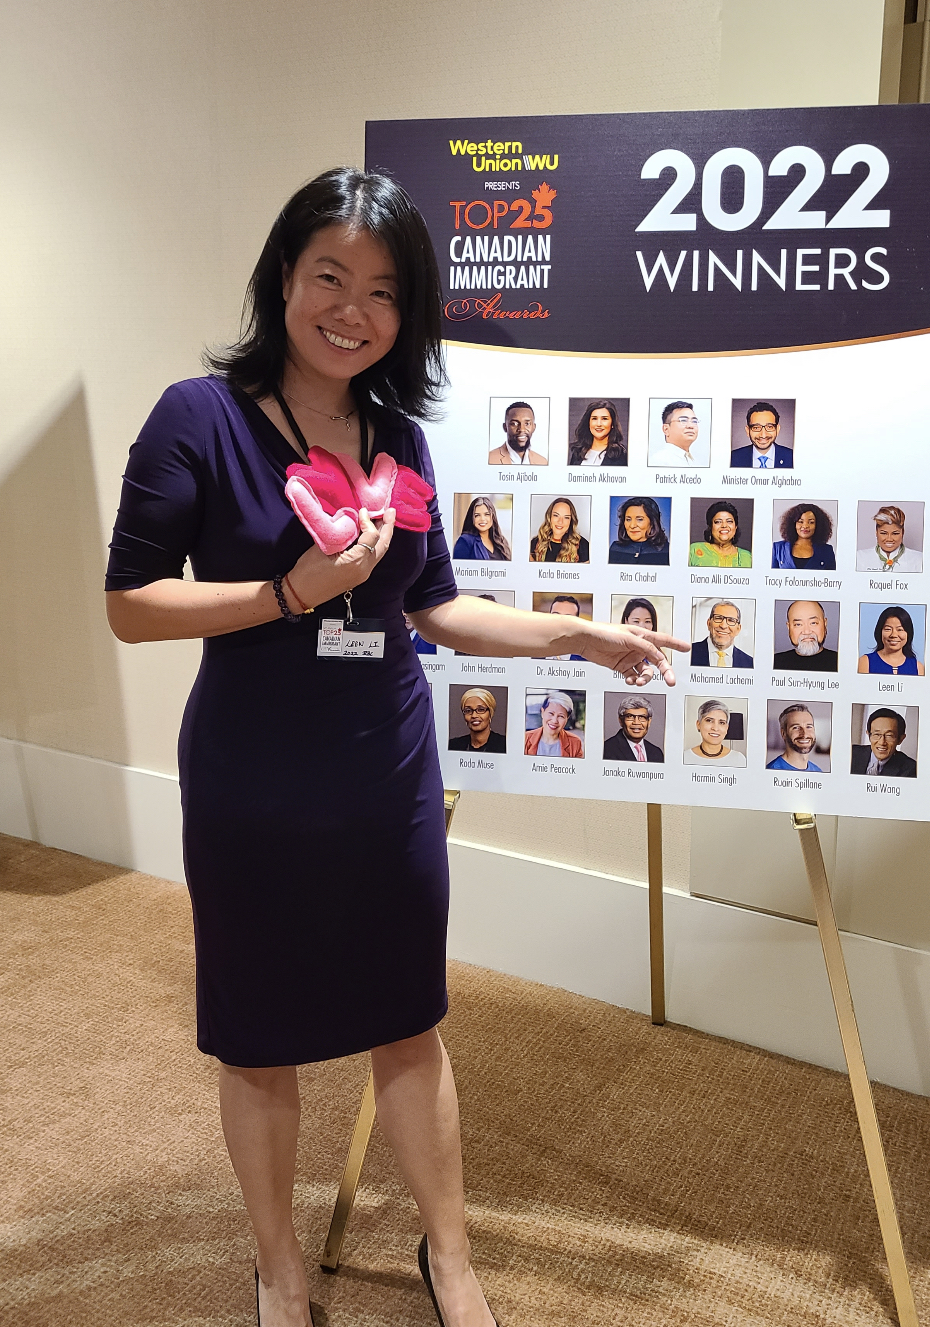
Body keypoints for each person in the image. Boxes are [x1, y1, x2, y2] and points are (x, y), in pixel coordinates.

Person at [103, 167, 687, 1327]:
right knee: (257, 1035)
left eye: (383, 291)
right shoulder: (197, 417)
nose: (353, 310)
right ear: (284, 276)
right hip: (253, 774)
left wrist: (578, 635)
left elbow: (436, 608)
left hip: (387, 773)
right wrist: (288, 591)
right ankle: (278, 1265)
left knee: (407, 1020)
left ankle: (449, 1258)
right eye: (331, 276)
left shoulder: (400, 437)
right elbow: (130, 603)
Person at [858, 606, 925, 676]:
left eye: (900, 629)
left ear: (909, 633)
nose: (893, 635)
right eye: (888, 629)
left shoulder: (918, 667)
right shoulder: (865, 662)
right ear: (880, 632)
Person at [773, 600, 838, 672]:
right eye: (798, 624)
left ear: (825, 624)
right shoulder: (774, 662)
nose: (806, 632)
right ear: (789, 627)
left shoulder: (841, 661)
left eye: (813, 623)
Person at [851, 708, 918, 776]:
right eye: (877, 734)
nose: (882, 742)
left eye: (889, 735)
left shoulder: (911, 769)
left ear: (900, 739)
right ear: (869, 735)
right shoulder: (851, 753)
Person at [858, 504, 922, 573]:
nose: (889, 539)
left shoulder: (919, 560)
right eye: (884, 533)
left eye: (895, 533)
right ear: (876, 532)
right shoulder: (860, 558)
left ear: (902, 532)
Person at [771, 503, 836, 570]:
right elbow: (772, 575)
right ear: (793, 524)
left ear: (818, 525)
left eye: (811, 522)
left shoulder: (827, 551)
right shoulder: (778, 548)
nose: (805, 526)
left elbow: (832, 576)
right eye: (800, 522)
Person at [689, 500, 753, 568]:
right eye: (718, 522)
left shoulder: (747, 557)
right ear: (711, 526)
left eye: (729, 521)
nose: (724, 525)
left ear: (735, 527)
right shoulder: (694, 550)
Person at [730, 401, 794, 469]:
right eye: (756, 428)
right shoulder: (733, 458)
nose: (763, 435)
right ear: (748, 430)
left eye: (769, 427)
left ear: (777, 429)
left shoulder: (793, 457)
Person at [690, 601, 753, 668]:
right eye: (718, 618)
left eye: (731, 620)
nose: (723, 626)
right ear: (709, 624)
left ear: (738, 629)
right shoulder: (689, 653)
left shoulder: (750, 663)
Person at [608, 496, 670, 564]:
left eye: (640, 519)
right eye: (628, 519)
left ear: (652, 522)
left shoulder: (667, 550)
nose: (632, 526)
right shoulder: (615, 549)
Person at [603, 695, 664, 762]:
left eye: (642, 717)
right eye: (630, 716)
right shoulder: (606, 750)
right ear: (621, 721)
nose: (636, 722)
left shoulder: (657, 753)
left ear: (649, 722)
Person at [567, 399, 628, 466]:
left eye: (604, 419)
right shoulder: (578, 452)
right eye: (594, 418)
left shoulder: (622, 455)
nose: (598, 424)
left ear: (612, 423)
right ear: (588, 422)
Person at [683, 699, 744, 766]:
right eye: (709, 720)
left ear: (727, 728)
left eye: (721, 722)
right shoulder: (685, 757)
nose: (715, 728)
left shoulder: (738, 759)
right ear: (698, 724)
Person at [523, 691, 584, 757]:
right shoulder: (525, 739)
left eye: (561, 716)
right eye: (551, 713)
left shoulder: (575, 743)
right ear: (542, 712)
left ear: (567, 718)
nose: (554, 721)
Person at [530, 497, 589, 563]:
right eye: (556, 515)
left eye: (566, 517)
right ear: (549, 517)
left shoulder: (583, 546)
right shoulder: (535, 543)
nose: (560, 521)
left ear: (571, 521)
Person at [766, 704, 824, 771]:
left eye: (809, 727)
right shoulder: (773, 770)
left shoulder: (818, 770)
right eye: (796, 727)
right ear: (783, 733)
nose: (804, 734)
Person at [487, 400, 547, 465]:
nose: (521, 429)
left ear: (534, 427)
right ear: (505, 427)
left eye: (527, 423)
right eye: (514, 424)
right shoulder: (489, 459)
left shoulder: (543, 462)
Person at [453, 495, 511, 561]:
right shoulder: (465, 541)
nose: (482, 519)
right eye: (477, 515)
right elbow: (457, 566)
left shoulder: (502, 541)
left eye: (487, 514)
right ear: (472, 518)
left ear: (493, 516)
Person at [448, 688, 506, 752]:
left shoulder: (505, 745)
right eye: (468, 710)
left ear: (490, 713)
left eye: (481, 710)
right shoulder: (452, 745)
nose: (474, 715)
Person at [652, 400, 705, 466]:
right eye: (683, 420)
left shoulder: (695, 462)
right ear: (666, 429)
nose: (691, 426)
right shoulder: (659, 461)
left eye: (694, 421)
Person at [548, 594, 585, 660]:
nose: (561, 621)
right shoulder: (534, 648)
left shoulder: (585, 657)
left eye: (568, 618)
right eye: (556, 615)